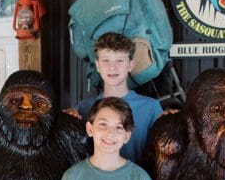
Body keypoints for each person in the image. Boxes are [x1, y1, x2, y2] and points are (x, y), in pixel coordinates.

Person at [65, 32, 163, 164]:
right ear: (98, 65)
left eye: (120, 60)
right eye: (106, 60)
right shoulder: (84, 107)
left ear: (130, 65)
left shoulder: (151, 108)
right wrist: (67, 119)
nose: (112, 67)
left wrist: (170, 119)